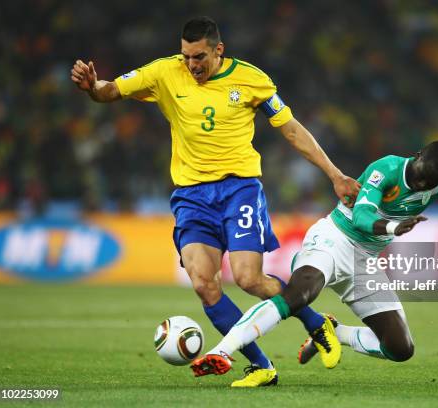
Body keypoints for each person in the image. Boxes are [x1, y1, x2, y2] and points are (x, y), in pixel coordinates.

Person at [70, 16, 359, 387]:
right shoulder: (164, 73)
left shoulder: (252, 80)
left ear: (218, 50)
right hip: (191, 196)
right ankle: (261, 365)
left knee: (249, 279)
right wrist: (93, 86)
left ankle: (318, 325)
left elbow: (290, 129)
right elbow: (110, 91)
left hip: (238, 189)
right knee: (204, 284)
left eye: (200, 57)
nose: (192, 66)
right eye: (187, 57)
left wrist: (334, 174)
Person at [190, 140, 438, 376]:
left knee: (400, 349)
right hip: (334, 239)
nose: (421, 184)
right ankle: (222, 352)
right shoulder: (387, 169)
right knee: (302, 292)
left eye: (428, 182)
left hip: (365, 261)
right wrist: (393, 229)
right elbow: (360, 214)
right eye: (420, 175)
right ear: (417, 156)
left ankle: (332, 331)